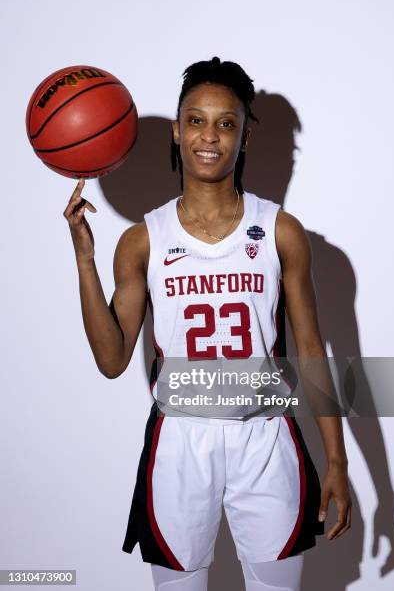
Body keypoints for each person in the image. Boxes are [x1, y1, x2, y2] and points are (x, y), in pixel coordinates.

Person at [63, 57, 352, 591]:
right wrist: (84, 259)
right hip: (179, 439)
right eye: (196, 120)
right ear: (176, 131)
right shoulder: (142, 240)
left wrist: (337, 460)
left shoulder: (280, 232)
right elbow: (110, 361)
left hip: (266, 437)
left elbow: (312, 350)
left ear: (245, 137)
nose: (210, 137)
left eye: (226, 123)